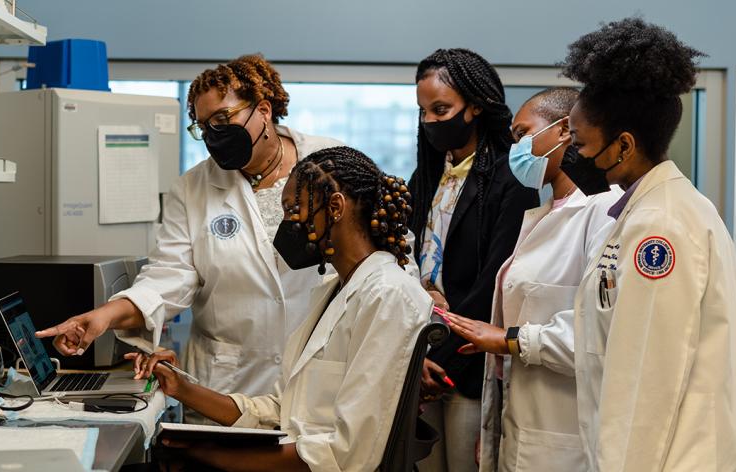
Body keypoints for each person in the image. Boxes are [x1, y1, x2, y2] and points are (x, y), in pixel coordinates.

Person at [36, 55, 342, 422]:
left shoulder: (331, 162)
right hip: (227, 383)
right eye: (203, 127)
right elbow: (169, 276)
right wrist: (103, 316)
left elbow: (374, 257)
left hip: (319, 371)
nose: (214, 135)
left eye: (223, 120)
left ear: (263, 109)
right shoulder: (193, 188)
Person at [128, 146, 432, 471]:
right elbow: (281, 409)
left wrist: (212, 456)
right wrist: (182, 389)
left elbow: (349, 453)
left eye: (293, 210)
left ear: (335, 207)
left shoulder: (388, 295)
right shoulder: (331, 292)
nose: (287, 225)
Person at [560, 18, 736, 470]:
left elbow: (644, 381)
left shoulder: (660, 227)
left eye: (581, 142)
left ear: (624, 145)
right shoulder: (648, 212)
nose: (573, 154)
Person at [442, 87, 622, 471]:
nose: (516, 149)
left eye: (523, 134)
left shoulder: (605, 212)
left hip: (567, 437)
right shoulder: (542, 214)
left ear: (564, 131)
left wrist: (508, 340)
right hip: (521, 428)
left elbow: (601, 336)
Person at [411, 48, 539, 472]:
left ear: (476, 105)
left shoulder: (509, 178)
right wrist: (416, 356)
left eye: (441, 109)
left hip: (468, 362)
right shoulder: (425, 177)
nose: (430, 121)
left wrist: (439, 356)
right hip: (419, 358)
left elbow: (495, 281)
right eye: (424, 111)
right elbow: (404, 264)